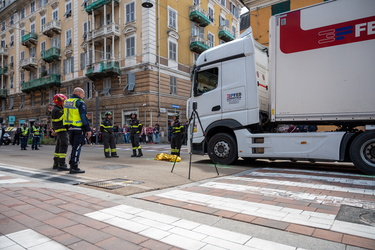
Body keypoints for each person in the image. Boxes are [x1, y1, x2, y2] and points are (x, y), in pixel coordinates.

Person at [63, 87, 92, 174]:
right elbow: (83, 116)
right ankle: (74, 166)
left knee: (74, 147)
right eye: (83, 94)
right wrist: (88, 129)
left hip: (70, 127)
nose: (83, 96)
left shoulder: (67, 102)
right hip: (78, 127)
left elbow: (66, 115)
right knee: (77, 147)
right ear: (79, 93)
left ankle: (72, 164)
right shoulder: (79, 102)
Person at [51, 94, 70, 171]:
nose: (64, 103)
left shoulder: (56, 109)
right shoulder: (58, 110)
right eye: (63, 101)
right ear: (59, 102)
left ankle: (56, 163)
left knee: (59, 146)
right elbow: (65, 118)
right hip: (61, 130)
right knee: (64, 145)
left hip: (59, 130)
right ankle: (62, 164)